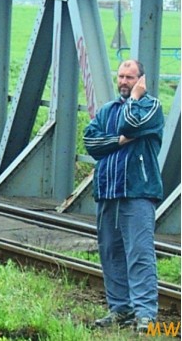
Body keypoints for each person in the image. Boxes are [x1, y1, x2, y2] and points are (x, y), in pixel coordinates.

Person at [83, 59, 164, 334]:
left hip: (138, 191)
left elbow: (130, 125)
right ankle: (120, 309)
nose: (124, 82)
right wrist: (116, 141)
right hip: (108, 191)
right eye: (121, 76)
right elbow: (91, 143)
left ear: (141, 81)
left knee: (139, 252)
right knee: (111, 252)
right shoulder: (107, 111)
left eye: (130, 77)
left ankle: (145, 314)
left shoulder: (151, 107)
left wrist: (136, 99)